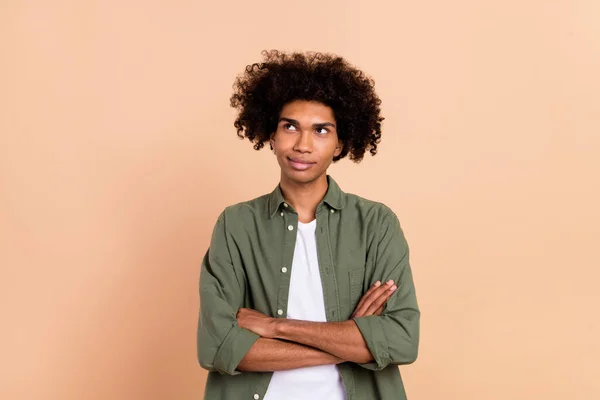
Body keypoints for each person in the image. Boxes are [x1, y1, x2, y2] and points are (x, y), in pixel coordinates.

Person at [197, 50, 420, 400]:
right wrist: (354, 341)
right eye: (290, 126)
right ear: (270, 135)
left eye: (320, 130)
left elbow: (402, 341)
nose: (302, 145)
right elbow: (219, 346)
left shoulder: (376, 225)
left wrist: (275, 327)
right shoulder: (236, 225)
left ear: (340, 143)